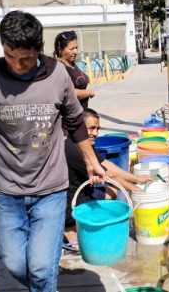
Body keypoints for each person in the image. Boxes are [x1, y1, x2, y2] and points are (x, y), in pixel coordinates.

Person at [0, 11, 106, 292]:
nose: (17, 65)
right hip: (9, 192)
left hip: (51, 191)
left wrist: (91, 160)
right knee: (14, 264)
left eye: (25, 58)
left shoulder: (58, 75)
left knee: (40, 268)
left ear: (40, 49)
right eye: (10, 56)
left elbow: (75, 122)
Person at [63, 108, 150, 252]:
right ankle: (70, 228)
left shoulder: (81, 144)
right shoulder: (76, 151)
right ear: (79, 128)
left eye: (97, 128)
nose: (96, 133)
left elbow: (106, 164)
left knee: (110, 188)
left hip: (75, 195)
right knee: (112, 190)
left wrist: (137, 179)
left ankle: (77, 224)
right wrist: (135, 189)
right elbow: (111, 176)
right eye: (91, 128)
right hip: (67, 206)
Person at [53, 31, 94, 108]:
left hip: (81, 112)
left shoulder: (72, 64)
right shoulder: (59, 68)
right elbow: (69, 93)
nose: (75, 51)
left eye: (76, 48)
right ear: (60, 50)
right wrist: (88, 92)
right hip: (70, 117)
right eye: (71, 49)